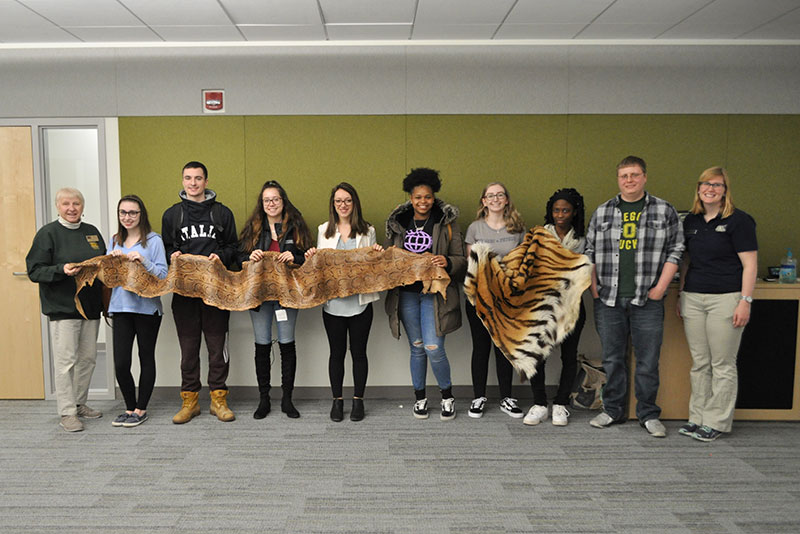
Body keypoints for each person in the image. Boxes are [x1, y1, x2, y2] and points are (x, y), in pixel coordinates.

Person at [585, 155, 684, 437]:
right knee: (613, 358)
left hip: (648, 299)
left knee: (648, 359)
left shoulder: (664, 210)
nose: (629, 180)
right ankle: (613, 410)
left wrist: (662, 287)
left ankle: (648, 414)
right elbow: (589, 252)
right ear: (618, 179)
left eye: (634, 175)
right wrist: (594, 287)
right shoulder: (603, 212)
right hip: (608, 299)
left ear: (644, 177)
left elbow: (676, 250)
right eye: (624, 176)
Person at [678, 167, 757, 442]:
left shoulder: (739, 221)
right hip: (694, 297)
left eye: (717, 184)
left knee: (722, 363)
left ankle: (717, 422)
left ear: (725, 190)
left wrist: (745, 301)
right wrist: (682, 295)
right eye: (705, 184)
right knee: (700, 363)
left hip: (727, 298)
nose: (710, 188)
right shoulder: (692, 221)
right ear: (698, 188)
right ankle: (697, 418)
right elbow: (687, 261)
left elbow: (750, 264)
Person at [385, 168, 466, 421]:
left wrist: (448, 262)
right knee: (417, 348)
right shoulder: (399, 222)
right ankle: (420, 398)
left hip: (434, 294)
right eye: (418, 197)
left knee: (433, 347)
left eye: (428, 197)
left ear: (434, 197)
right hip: (407, 294)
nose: (423, 202)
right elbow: (390, 257)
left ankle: (447, 396)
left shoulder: (446, 222)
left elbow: (462, 259)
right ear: (411, 198)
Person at [162, 161, 238, 424]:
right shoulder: (172, 215)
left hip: (217, 292)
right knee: (189, 350)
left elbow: (233, 248)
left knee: (217, 348)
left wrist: (222, 255)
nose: (192, 183)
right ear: (182, 181)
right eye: (188, 178)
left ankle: (219, 399)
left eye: (197, 178)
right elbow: (166, 249)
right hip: (184, 294)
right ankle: (190, 400)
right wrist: (174, 254)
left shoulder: (222, 213)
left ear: (206, 181)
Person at [26, 188, 106, 432]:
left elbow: (101, 264)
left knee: (88, 359)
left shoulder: (92, 232)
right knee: (66, 362)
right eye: (66, 204)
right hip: (63, 308)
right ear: (57, 206)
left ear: (83, 206)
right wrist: (61, 269)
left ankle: (80, 403)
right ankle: (67, 412)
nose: (72, 208)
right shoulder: (48, 233)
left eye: (76, 203)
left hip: (90, 309)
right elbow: (35, 271)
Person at [304, 183, 382, 422]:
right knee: (336, 354)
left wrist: (378, 252)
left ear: (354, 203)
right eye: (338, 201)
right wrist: (311, 257)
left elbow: (373, 267)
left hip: (360, 304)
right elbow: (320, 267)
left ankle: (358, 401)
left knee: (359, 353)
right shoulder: (324, 230)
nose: (343, 205)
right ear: (333, 204)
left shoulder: (368, 231)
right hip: (333, 305)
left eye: (347, 200)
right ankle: (337, 401)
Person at [239, 180, 312, 419]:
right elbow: (237, 256)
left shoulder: (296, 226)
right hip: (259, 296)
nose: (271, 203)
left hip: (287, 295)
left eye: (275, 199)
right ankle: (264, 400)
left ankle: (287, 400)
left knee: (286, 344)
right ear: (262, 204)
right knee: (262, 345)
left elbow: (311, 258)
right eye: (267, 200)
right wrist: (250, 255)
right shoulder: (254, 228)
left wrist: (296, 256)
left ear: (283, 201)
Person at [523, 188, 588, 427]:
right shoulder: (538, 235)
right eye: (556, 210)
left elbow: (585, 271)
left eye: (566, 210)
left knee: (569, 356)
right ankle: (539, 403)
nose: (560, 214)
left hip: (572, 306)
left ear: (574, 213)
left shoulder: (582, 238)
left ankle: (561, 404)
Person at [464, 182, 526, 419]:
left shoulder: (518, 228)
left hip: (508, 298)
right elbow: (473, 264)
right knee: (480, 348)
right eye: (490, 195)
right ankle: (478, 397)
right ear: (484, 201)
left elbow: (523, 264)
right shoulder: (474, 228)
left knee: (504, 348)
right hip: (480, 297)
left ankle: (507, 398)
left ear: (507, 200)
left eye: (500, 195)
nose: (495, 198)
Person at [107, 195, 168, 428]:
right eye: (123, 212)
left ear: (141, 214)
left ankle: (141, 409)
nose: (127, 217)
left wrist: (143, 261)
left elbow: (162, 275)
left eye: (133, 213)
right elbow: (109, 278)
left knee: (146, 357)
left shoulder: (154, 241)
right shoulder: (114, 240)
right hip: (120, 307)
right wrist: (112, 263)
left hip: (147, 309)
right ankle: (129, 407)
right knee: (121, 363)